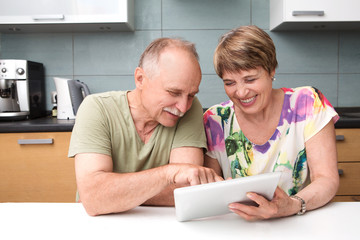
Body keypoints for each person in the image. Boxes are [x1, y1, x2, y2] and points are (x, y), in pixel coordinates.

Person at [68, 38, 222, 216]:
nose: (182, 106)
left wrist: (113, 195)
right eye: (173, 92)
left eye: (191, 95)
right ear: (140, 79)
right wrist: (169, 174)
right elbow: (95, 199)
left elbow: (186, 192)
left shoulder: (190, 108)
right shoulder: (96, 108)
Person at [203, 25, 339, 221]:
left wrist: (292, 205)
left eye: (250, 79)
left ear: (271, 70)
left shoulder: (308, 103)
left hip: (298, 222)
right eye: (229, 82)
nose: (240, 93)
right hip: (238, 227)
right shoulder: (216, 120)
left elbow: (327, 179)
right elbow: (207, 192)